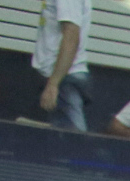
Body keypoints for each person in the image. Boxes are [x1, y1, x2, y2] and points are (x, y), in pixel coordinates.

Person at [32, 0, 92, 132]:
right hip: (60, 77)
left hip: (63, 78)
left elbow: (71, 36)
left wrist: (54, 84)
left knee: (70, 139)